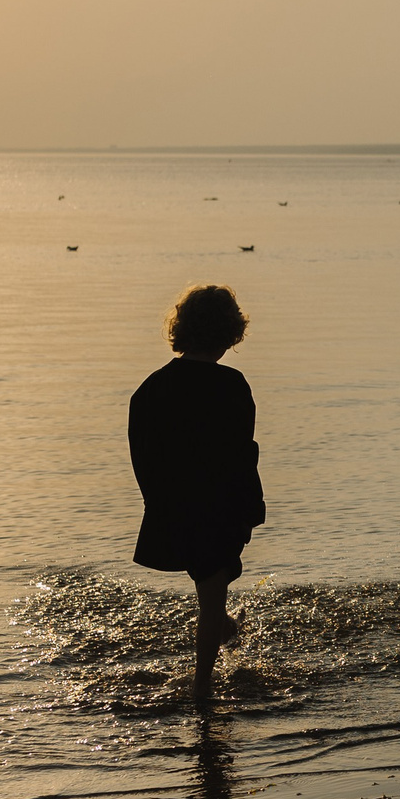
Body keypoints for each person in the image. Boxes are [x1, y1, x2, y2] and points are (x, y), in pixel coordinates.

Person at [129, 285, 265, 703]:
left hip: (171, 507)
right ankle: (201, 688)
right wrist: (249, 512)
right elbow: (243, 453)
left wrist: (156, 505)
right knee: (212, 592)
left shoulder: (151, 387)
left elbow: (140, 453)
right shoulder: (232, 385)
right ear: (229, 334)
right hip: (217, 508)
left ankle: (223, 630)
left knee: (213, 590)